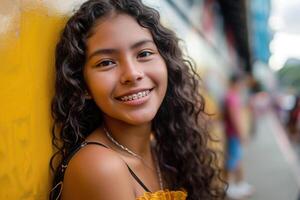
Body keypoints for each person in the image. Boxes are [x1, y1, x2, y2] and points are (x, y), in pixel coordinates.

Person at [49, 0, 225, 199]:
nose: (132, 74)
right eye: (106, 62)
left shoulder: (162, 150)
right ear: (83, 86)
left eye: (144, 53)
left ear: (166, 64)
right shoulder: (101, 168)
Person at [223, 74, 254, 199]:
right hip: (233, 134)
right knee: (233, 160)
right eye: (240, 83)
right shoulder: (231, 97)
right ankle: (230, 187)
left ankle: (239, 185)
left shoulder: (232, 96)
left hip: (233, 134)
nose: (242, 86)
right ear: (235, 83)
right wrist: (242, 134)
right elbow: (235, 117)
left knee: (237, 159)